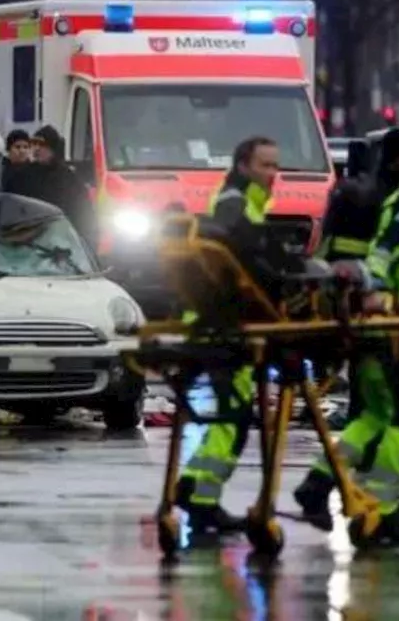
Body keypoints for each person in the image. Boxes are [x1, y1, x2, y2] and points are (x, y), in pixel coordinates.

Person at [294, 141, 399, 544]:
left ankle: (318, 482)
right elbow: (385, 253)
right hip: (394, 331)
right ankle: (382, 509)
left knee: (372, 417)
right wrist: (374, 290)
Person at [175, 135, 279, 534]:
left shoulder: (240, 199)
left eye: (275, 166)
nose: (273, 174)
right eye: (265, 165)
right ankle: (202, 500)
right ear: (243, 165)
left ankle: (194, 489)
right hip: (226, 325)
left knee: (229, 416)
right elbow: (243, 259)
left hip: (219, 322)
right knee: (233, 417)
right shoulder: (236, 204)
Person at [317, 128, 399, 445]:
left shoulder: (349, 191)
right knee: (396, 371)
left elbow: (326, 245)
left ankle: (360, 423)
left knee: (365, 364)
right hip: (386, 294)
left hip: (349, 289)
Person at [2, 125, 98, 248]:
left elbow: (83, 212)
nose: (36, 149)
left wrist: (85, 240)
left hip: (63, 242)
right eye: (34, 144)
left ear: (52, 148)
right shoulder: (24, 175)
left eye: (41, 145)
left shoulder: (68, 178)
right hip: (31, 242)